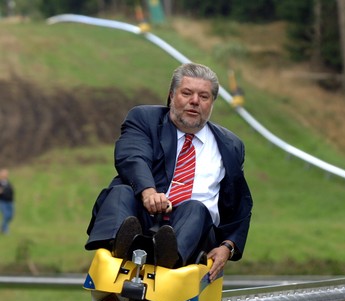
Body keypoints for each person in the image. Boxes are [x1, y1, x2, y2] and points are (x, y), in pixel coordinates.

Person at [85, 62, 253, 282]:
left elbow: (239, 204)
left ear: (212, 103)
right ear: (171, 96)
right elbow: (133, 156)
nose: (195, 101)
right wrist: (148, 191)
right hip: (141, 217)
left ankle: (167, 262)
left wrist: (228, 247)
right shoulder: (144, 119)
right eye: (187, 93)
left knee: (196, 208)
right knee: (120, 193)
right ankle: (120, 254)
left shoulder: (231, 146)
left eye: (204, 97)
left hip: (194, 232)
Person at [0, 168, 14, 234]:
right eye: (3, 173)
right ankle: (5, 230)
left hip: (10, 202)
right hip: (3, 201)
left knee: (10, 216)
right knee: (6, 215)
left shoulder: (8, 183)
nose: (5, 175)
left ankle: (3, 226)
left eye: (6, 173)